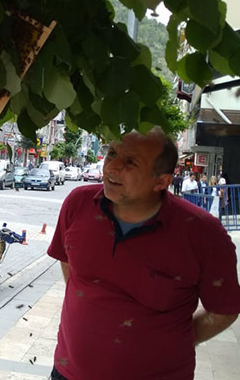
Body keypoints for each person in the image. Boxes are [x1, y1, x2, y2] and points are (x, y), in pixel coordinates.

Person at [47, 128, 240, 380]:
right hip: (68, 373)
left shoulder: (203, 234)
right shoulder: (78, 203)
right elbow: (69, 262)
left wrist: (171, 339)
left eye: (130, 162)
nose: (111, 168)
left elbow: (223, 310)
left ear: (161, 181)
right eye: (112, 153)